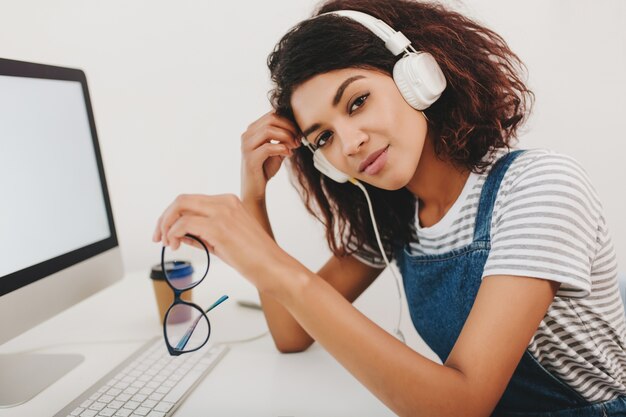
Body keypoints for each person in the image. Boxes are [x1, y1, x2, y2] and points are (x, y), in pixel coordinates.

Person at [153, 0, 626, 415]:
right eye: (324, 138)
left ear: (418, 76)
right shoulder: (392, 216)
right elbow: (291, 335)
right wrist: (253, 197)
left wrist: (266, 259)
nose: (351, 144)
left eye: (358, 102)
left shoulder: (539, 186)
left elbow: (462, 405)